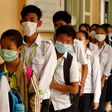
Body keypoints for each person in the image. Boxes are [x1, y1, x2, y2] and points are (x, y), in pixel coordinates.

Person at [20, 5, 57, 112]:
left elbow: (47, 75)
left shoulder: (47, 46)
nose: (28, 23)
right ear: (20, 23)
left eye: (32, 20)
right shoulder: (17, 45)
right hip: (20, 95)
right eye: (25, 20)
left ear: (39, 23)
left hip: (40, 98)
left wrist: (37, 98)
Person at [0, 29, 40, 112]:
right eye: (2, 47)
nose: (4, 51)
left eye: (8, 48)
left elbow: (35, 97)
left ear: (20, 49)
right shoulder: (0, 70)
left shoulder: (28, 73)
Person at [53, 11, 88, 97]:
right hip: (57, 82)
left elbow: (85, 65)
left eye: (61, 24)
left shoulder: (77, 44)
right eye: (56, 25)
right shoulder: (53, 42)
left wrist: (82, 85)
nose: (58, 27)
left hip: (72, 82)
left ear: (68, 24)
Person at [49, 25, 79, 112]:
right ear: (55, 38)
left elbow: (75, 89)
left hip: (63, 105)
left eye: (68, 42)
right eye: (61, 40)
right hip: (46, 102)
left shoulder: (71, 61)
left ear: (72, 43)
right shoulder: (47, 55)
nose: (64, 44)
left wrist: (52, 85)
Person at [76, 30, 101, 112]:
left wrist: (96, 99)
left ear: (86, 41)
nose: (76, 42)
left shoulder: (93, 56)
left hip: (87, 93)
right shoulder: (72, 54)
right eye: (75, 39)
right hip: (73, 91)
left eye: (80, 39)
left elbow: (97, 78)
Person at [94, 25, 112, 112]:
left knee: (100, 102)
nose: (99, 35)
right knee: (91, 102)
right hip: (91, 79)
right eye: (97, 33)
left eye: (102, 33)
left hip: (102, 79)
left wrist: (102, 80)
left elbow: (108, 66)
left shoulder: (109, 49)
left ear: (105, 35)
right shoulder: (91, 46)